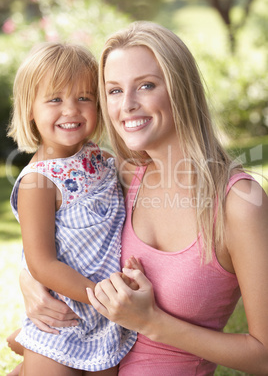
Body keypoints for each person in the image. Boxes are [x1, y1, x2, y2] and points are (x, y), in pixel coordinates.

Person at [17, 22, 268, 375]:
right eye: (114, 91)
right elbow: (59, 231)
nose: (127, 105)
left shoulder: (238, 202)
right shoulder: (120, 175)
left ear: (181, 89)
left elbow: (264, 354)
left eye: (146, 86)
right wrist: (30, 278)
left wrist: (151, 321)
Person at [6, 42, 137, 376]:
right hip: (63, 320)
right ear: (30, 108)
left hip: (108, 322)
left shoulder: (103, 159)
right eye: (55, 99)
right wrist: (102, 297)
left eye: (84, 97)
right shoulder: (39, 181)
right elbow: (41, 262)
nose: (71, 110)